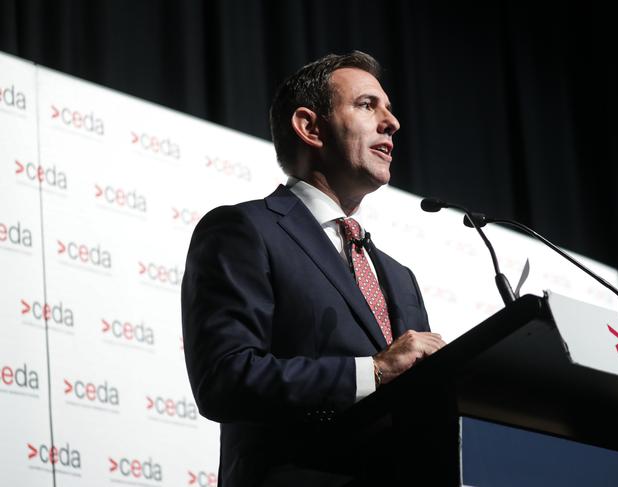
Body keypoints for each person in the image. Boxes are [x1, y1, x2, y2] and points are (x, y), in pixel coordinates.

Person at [181, 51, 446, 487]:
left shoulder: (400, 278)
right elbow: (224, 378)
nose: (392, 122)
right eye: (367, 105)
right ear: (309, 127)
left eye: (390, 109)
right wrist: (373, 372)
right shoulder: (245, 230)